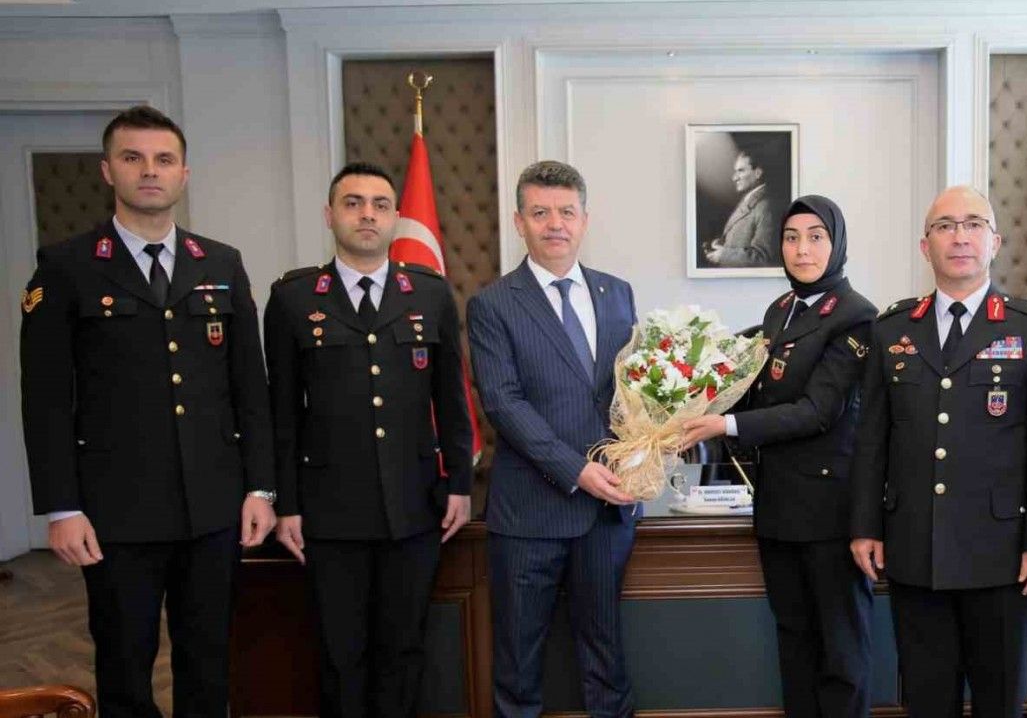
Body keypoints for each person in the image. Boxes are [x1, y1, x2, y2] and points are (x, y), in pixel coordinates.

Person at [19, 105, 276, 718]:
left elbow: (250, 387)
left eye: (164, 159)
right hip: (116, 511)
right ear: (108, 170)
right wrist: (62, 507)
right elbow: (46, 399)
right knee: (124, 664)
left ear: (184, 173)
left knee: (208, 661)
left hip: (212, 505)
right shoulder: (67, 266)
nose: (150, 171)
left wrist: (260, 488)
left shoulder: (221, 263)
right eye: (133, 158)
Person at [850, 186, 1027, 718]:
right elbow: (872, 439)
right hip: (915, 548)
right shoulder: (892, 330)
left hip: (1002, 554)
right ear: (925, 247)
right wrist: (865, 526)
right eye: (944, 226)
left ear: (994, 242)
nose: (959, 237)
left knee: (999, 700)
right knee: (927, 699)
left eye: (973, 224)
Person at [264, 162, 473, 718]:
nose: (367, 214)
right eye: (353, 203)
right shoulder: (293, 298)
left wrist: (459, 483)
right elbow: (280, 413)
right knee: (341, 654)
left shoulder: (428, 293)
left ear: (396, 217)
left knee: (403, 649)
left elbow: (452, 399)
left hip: (414, 506)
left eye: (380, 204)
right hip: (329, 512)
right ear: (329, 215)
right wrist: (286, 504)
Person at [682, 195, 878, 717]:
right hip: (778, 508)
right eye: (791, 238)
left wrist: (725, 424)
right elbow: (757, 391)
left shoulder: (856, 316)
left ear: (836, 244)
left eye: (815, 237)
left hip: (831, 514)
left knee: (840, 650)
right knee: (794, 642)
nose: (802, 249)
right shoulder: (780, 309)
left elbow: (818, 411)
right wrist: (688, 395)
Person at [467, 160, 639, 718]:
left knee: (607, 661)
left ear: (585, 219)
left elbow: (633, 392)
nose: (555, 224)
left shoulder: (618, 293)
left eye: (566, 212)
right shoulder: (493, 304)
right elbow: (503, 403)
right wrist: (576, 469)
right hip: (529, 516)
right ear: (520, 222)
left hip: (607, 514)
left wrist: (649, 450)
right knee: (518, 668)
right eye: (540, 213)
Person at [705, 146, 779, 268]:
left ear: (758, 173)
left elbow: (762, 258)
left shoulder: (766, 207)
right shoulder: (749, 200)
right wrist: (722, 245)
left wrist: (723, 255)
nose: (734, 178)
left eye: (741, 171)